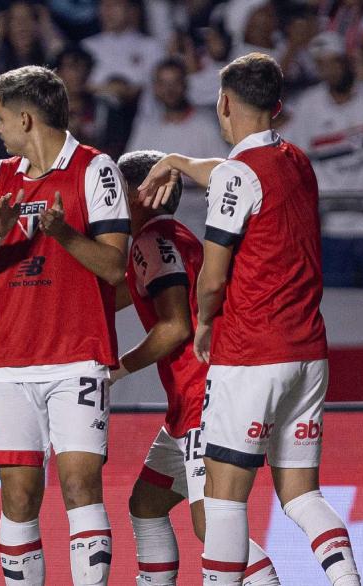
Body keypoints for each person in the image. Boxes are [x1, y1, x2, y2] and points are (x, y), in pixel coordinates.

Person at [136, 53, 361, 586]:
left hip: (250, 353)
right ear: (278, 107)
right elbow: (231, 175)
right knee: (303, 495)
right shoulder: (297, 160)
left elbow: (212, 278)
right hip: (307, 352)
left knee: (223, 502)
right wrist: (178, 161)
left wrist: (208, 323)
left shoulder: (237, 175)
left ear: (224, 103)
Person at [0, 65, 129, 586]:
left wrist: (64, 235)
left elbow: (114, 266)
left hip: (78, 354)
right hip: (12, 361)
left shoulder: (96, 170)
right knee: (18, 496)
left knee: (80, 486)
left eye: (2, 118)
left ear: (27, 118)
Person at [112, 150, 279, 586]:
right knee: (147, 503)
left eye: (114, 185)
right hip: (194, 400)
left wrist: (114, 371)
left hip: (204, 399)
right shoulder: (173, 237)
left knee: (213, 526)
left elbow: (174, 328)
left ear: (139, 193)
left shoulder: (151, 242)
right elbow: (120, 297)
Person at [279, 32, 363, 288]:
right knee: (336, 306)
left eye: (335, 61)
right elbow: (292, 159)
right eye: (322, 64)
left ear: (347, 61)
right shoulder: (309, 104)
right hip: (331, 225)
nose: (330, 70)